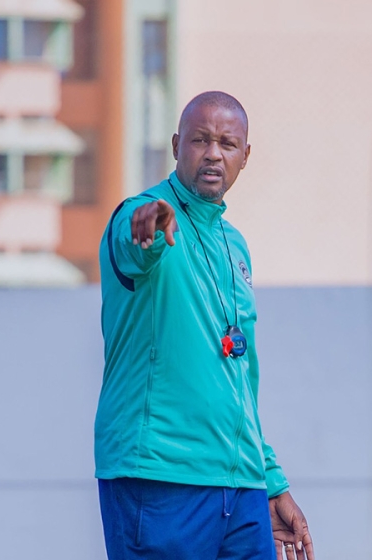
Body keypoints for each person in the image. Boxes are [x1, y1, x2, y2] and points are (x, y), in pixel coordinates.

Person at [95, 91, 314, 560]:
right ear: (176, 145)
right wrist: (148, 227)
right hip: (159, 476)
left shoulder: (235, 246)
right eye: (200, 140)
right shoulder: (140, 214)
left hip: (240, 486)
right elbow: (136, 247)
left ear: (245, 156)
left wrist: (270, 482)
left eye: (227, 143)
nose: (214, 152)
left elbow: (239, 380)